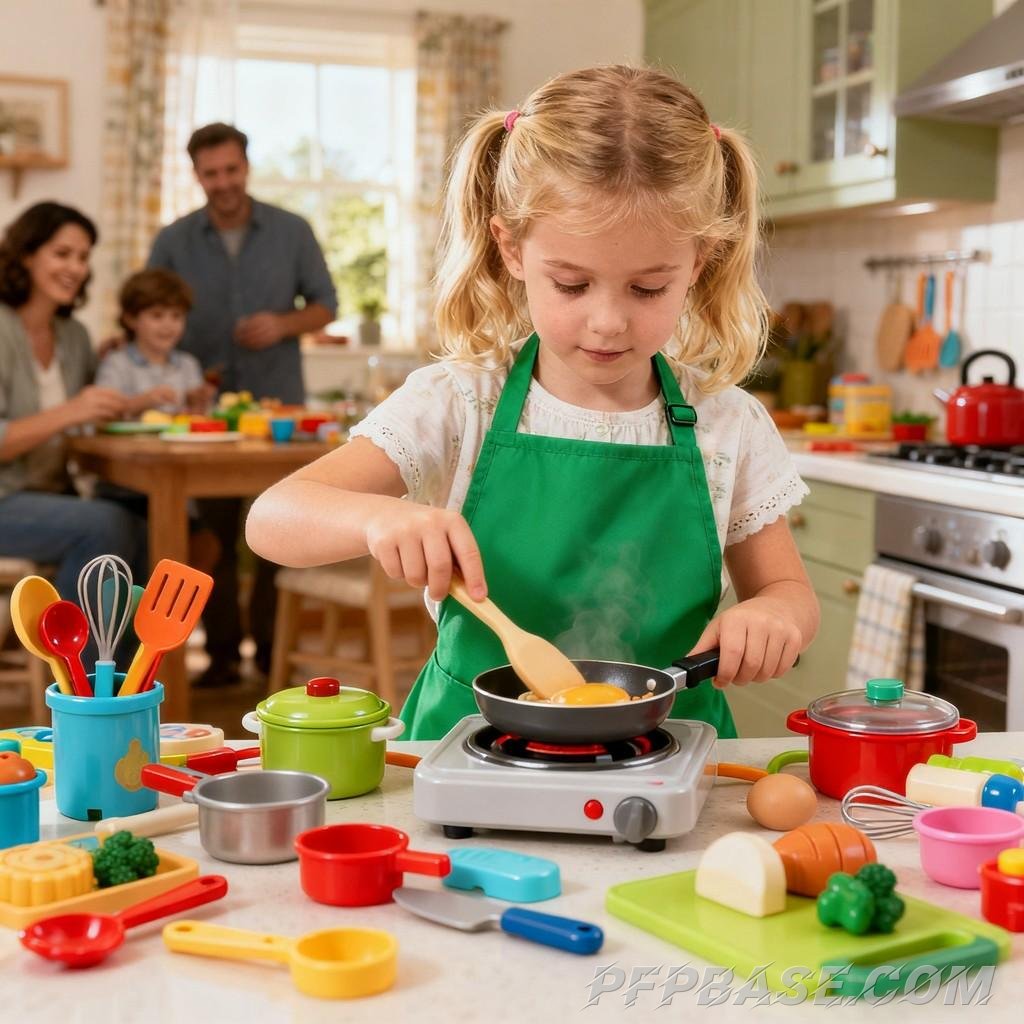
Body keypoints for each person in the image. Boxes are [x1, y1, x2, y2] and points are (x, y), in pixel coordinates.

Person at [245, 66, 820, 740]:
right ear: (512, 249)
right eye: (572, 285)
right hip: (468, 748)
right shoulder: (462, 401)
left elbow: (790, 591)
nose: (608, 321)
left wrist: (776, 617)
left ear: (700, 261)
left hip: (672, 755)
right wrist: (376, 520)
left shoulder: (728, 424)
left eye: (646, 289)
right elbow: (273, 520)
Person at [148, 122, 338, 686]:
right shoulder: (173, 240)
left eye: (232, 170)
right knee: (214, 538)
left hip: (279, 415)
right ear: (197, 175)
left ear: (246, 166)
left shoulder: (292, 230)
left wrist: (283, 322)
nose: (223, 182)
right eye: (211, 173)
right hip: (200, 416)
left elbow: (326, 304)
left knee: (279, 532)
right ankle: (223, 658)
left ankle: (273, 657)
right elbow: (148, 308)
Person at [0, 201, 144, 602]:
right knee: (104, 524)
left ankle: (127, 665)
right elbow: (73, 412)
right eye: (62, 254)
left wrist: (129, 360)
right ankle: (70, 663)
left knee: (144, 525)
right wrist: (71, 411)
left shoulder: (74, 336)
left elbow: (93, 413)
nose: (75, 268)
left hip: (49, 494)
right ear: (26, 255)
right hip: (5, 499)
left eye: (82, 257)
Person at [96, 268, 211, 416]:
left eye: (177, 316)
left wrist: (198, 403)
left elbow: (197, 418)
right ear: (130, 319)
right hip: (130, 440)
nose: (168, 325)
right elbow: (102, 415)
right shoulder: (116, 364)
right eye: (157, 316)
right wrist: (140, 403)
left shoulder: (188, 365)